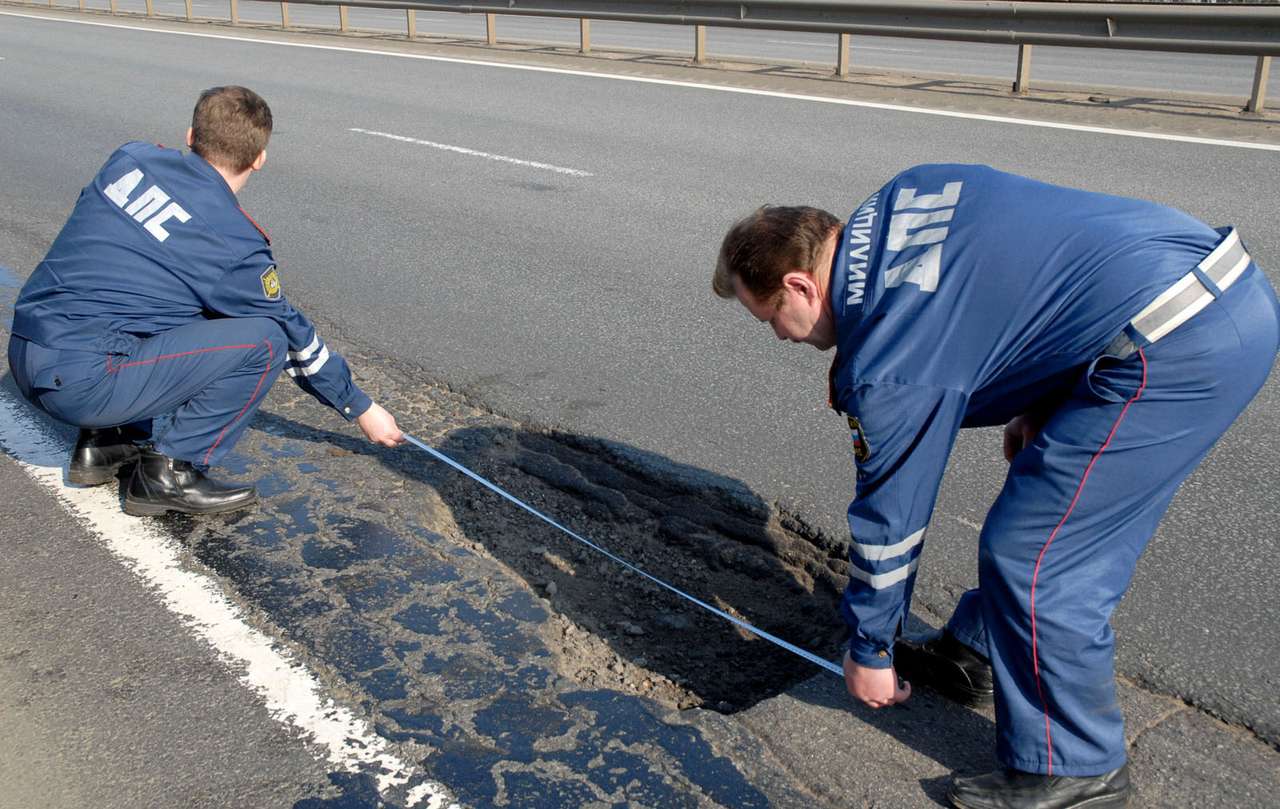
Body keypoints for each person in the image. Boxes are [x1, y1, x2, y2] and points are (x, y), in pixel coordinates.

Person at [712, 164, 1279, 809]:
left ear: (798, 286)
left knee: (1036, 556)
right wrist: (1042, 398)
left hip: (1178, 344)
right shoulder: (908, 193)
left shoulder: (889, 355)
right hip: (1207, 286)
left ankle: (1076, 769)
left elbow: (892, 516)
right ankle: (977, 656)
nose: (781, 338)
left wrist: (870, 646)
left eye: (769, 319)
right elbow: (1021, 280)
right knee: (1040, 516)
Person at [8, 86, 404, 516]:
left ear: (191, 135)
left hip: (25, 348)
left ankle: (106, 443)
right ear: (259, 158)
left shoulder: (131, 158)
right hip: (83, 386)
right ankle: (169, 473)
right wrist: (359, 406)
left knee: (165, 294)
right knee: (264, 338)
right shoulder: (233, 244)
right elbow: (292, 335)